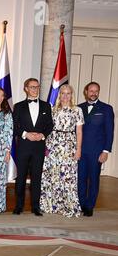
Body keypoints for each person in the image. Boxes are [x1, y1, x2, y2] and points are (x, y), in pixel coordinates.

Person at [40, 84, 84, 218]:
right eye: (63, 93)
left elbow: (79, 132)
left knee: (68, 177)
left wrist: (78, 150)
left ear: (72, 95)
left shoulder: (77, 110)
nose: (65, 96)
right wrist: (46, 147)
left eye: (68, 93)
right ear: (59, 95)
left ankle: (69, 205)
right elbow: (47, 130)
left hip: (69, 146)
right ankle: (52, 205)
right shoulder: (52, 110)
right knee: (52, 175)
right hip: (53, 145)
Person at [12, 78, 53, 216]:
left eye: (37, 87)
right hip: (23, 146)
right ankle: (19, 205)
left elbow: (50, 125)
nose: (35, 89)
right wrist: (25, 134)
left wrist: (42, 135)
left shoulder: (46, 106)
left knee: (37, 177)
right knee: (21, 177)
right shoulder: (18, 106)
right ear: (26, 89)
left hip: (39, 148)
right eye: (32, 87)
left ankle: (36, 206)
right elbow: (14, 125)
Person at [78, 82, 115, 217]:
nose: (93, 93)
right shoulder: (78, 108)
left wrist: (106, 151)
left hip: (96, 151)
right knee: (80, 178)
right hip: (80, 151)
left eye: (96, 91)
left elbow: (110, 132)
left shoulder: (106, 109)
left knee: (94, 179)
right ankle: (81, 204)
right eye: (91, 91)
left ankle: (89, 206)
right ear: (86, 91)